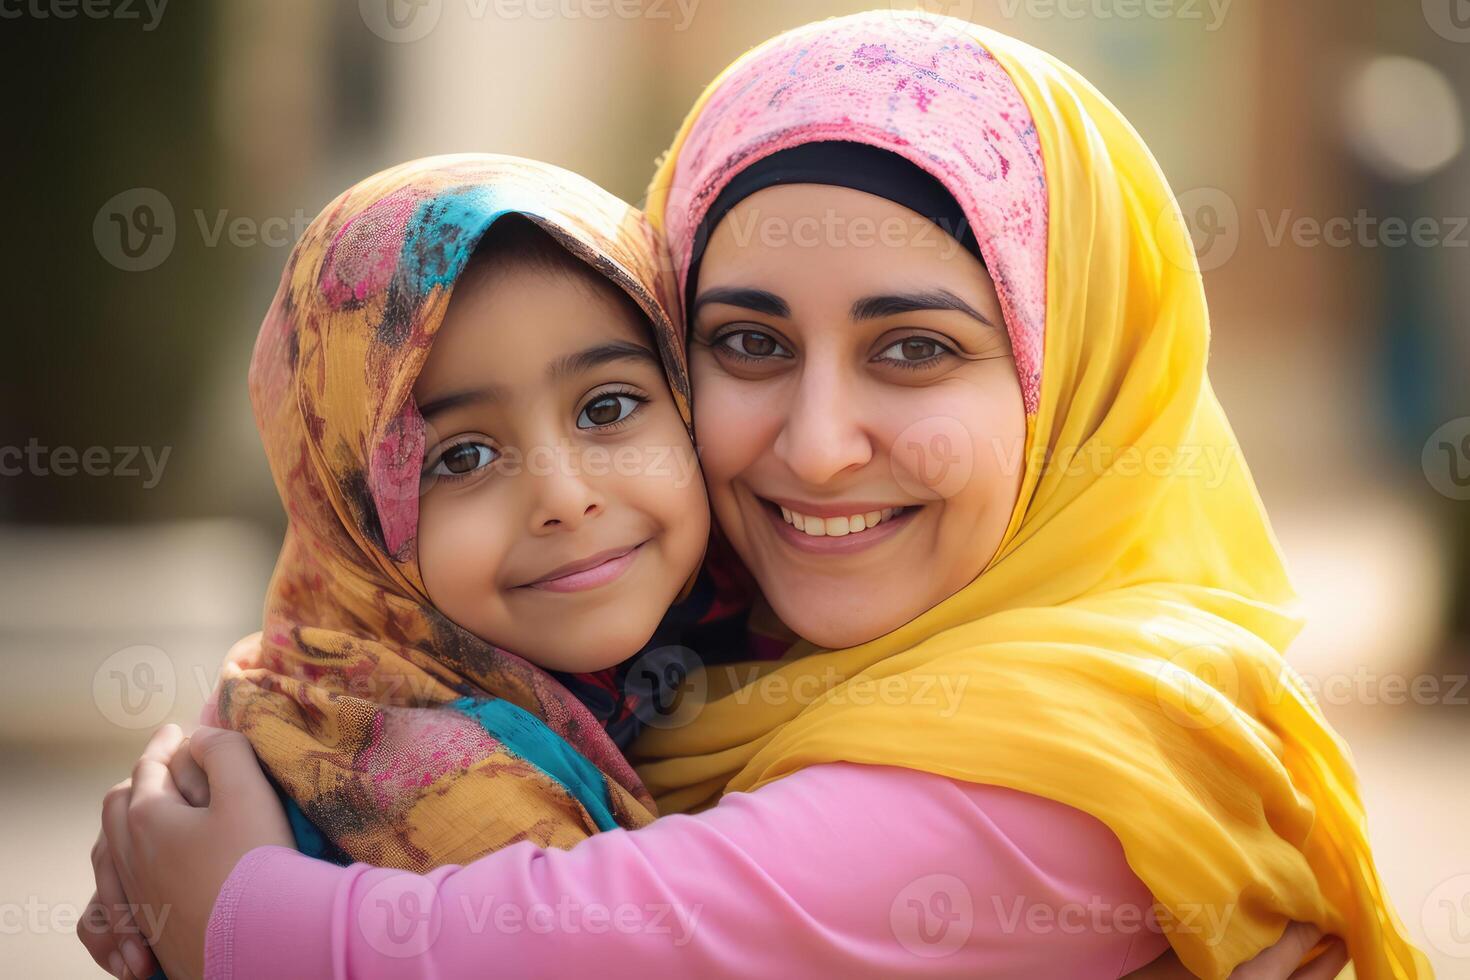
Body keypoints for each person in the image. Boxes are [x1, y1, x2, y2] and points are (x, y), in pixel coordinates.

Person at [85, 12, 1416, 979]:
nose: (819, 445)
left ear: (1071, 376)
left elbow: (614, 939)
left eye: (915, 350)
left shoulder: (1089, 750)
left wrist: (238, 912)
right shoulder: (693, 668)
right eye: (747, 344)